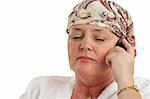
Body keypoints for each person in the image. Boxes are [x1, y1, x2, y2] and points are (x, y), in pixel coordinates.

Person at [19, 0, 150, 99]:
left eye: (99, 38)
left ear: (123, 48)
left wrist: (126, 82)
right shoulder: (40, 89)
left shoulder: (145, 91)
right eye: (76, 36)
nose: (85, 44)